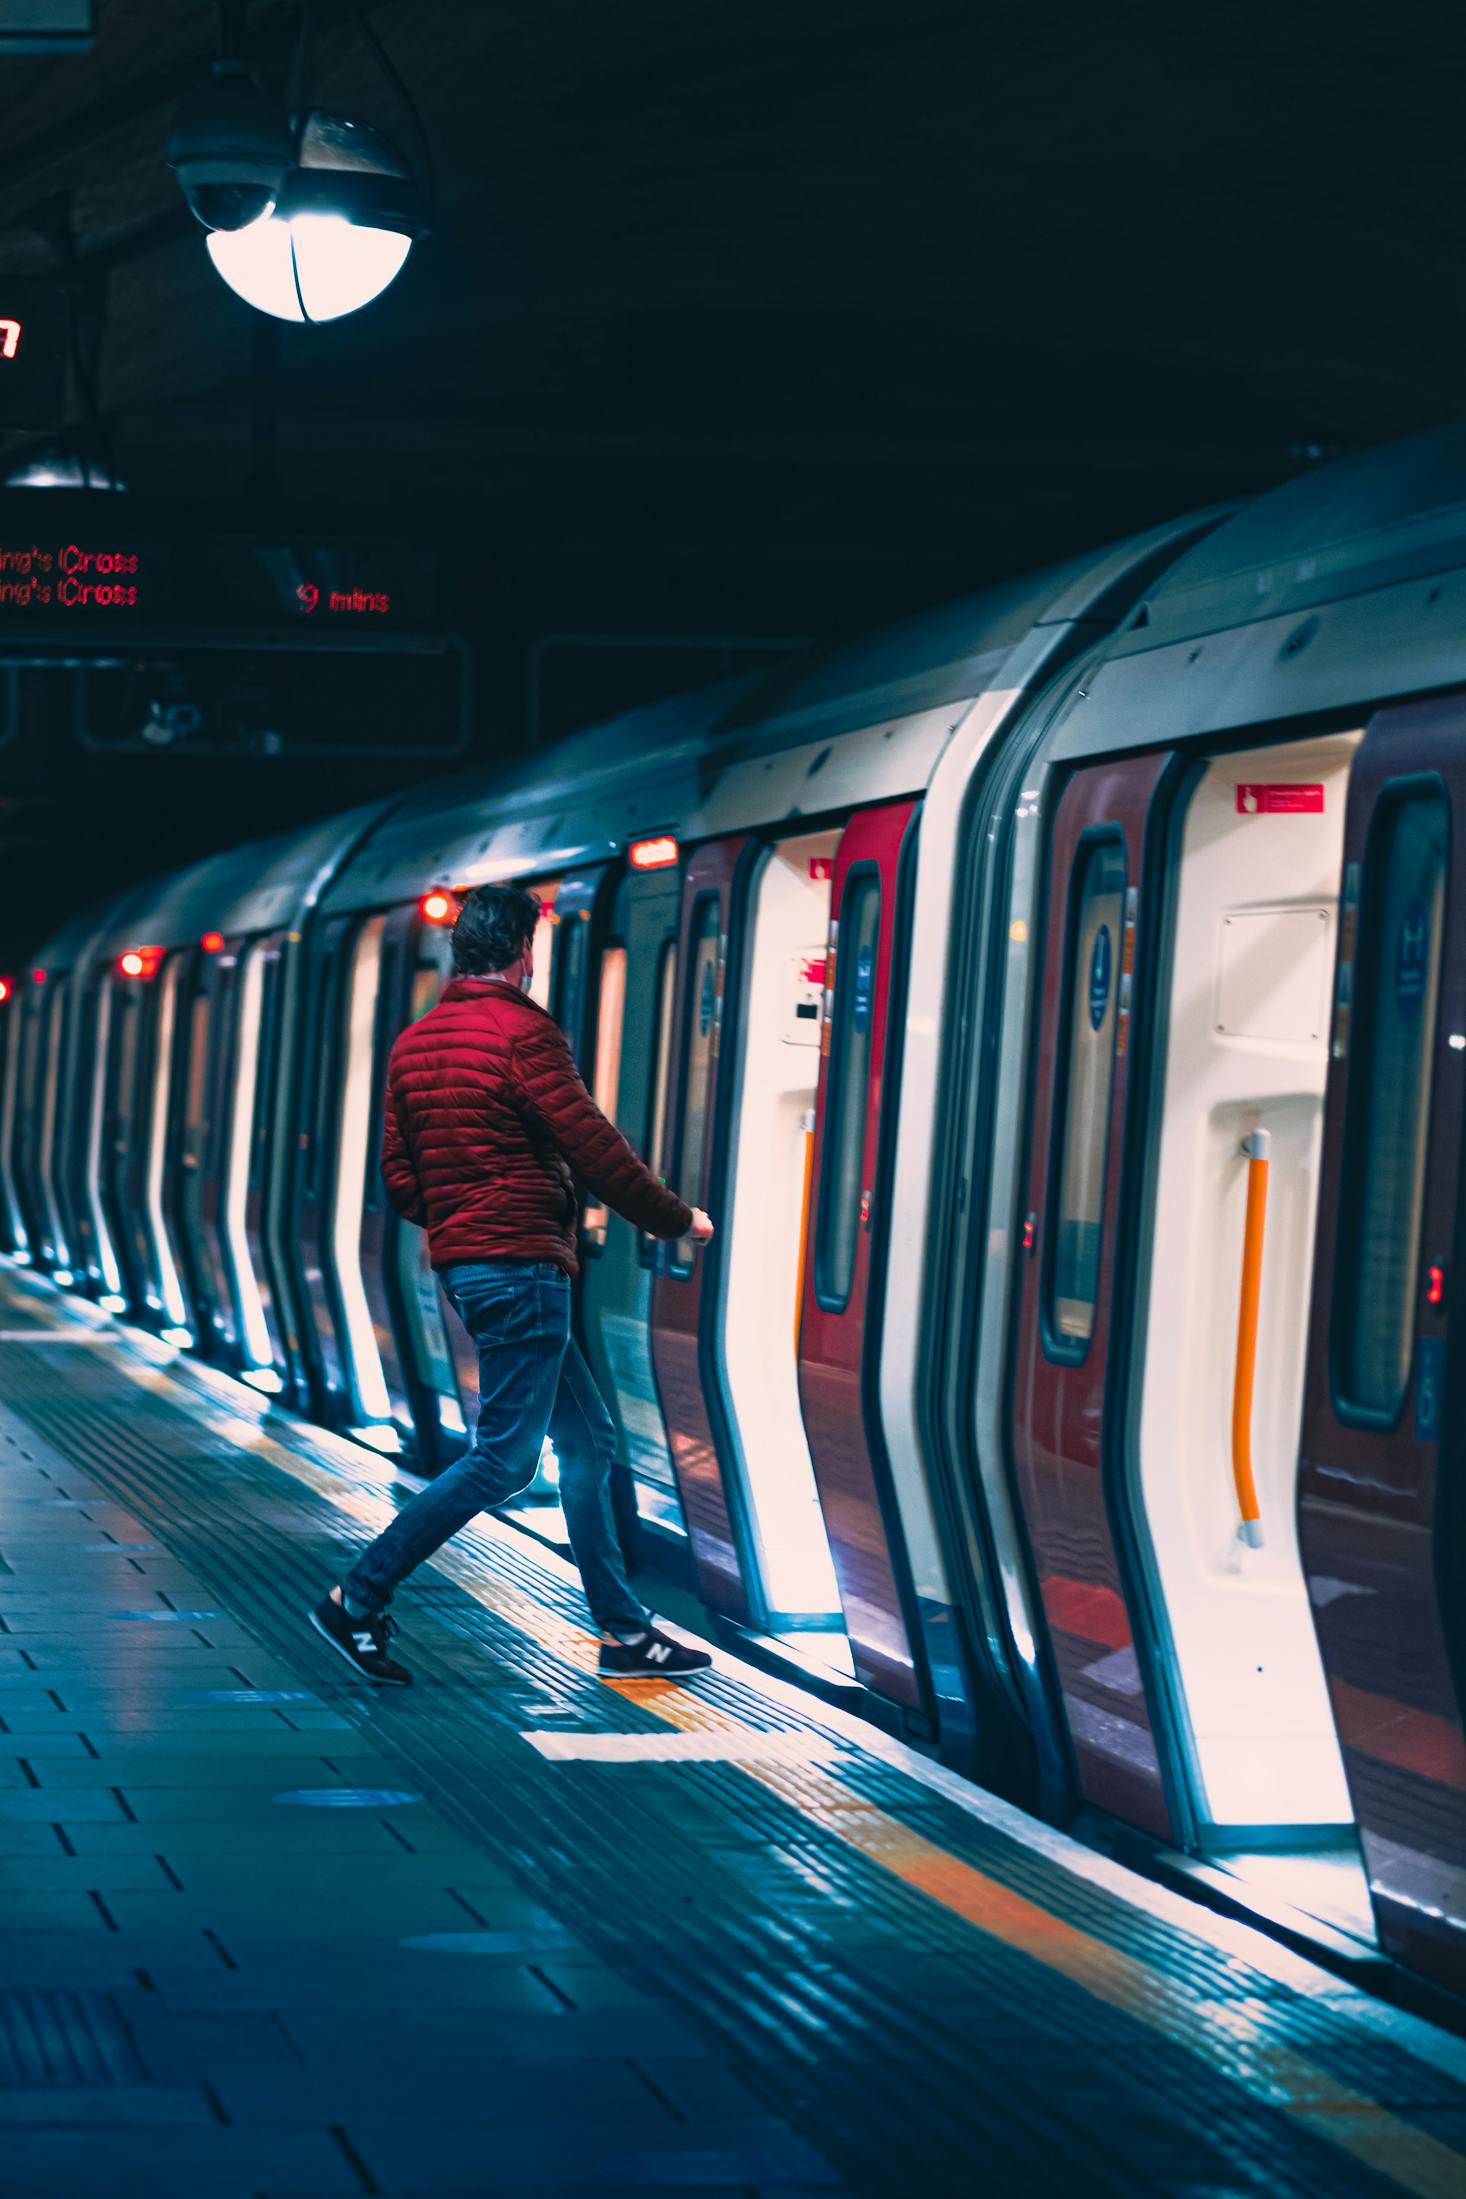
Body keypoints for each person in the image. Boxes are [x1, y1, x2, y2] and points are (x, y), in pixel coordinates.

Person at [310, 881, 715, 1687]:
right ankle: (357, 1596)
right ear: (524, 952)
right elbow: (593, 1144)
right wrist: (674, 1219)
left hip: (471, 1264)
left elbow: (400, 1181)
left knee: (590, 1441)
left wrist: (463, 1222)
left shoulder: (416, 1040)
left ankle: (624, 1632)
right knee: (504, 1460)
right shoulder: (525, 1036)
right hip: (523, 1267)